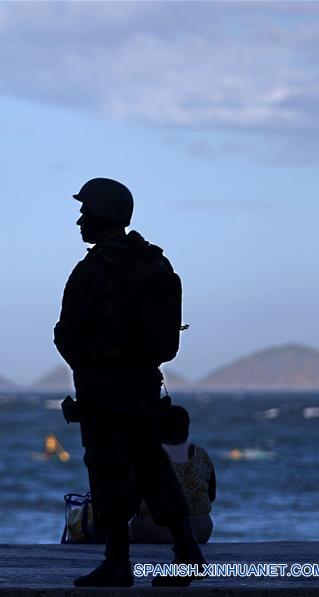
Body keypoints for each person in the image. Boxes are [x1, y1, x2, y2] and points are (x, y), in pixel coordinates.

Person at [54, 177, 206, 587]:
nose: (79, 220)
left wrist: (89, 369)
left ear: (101, 216)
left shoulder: (93, 270)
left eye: (85, 211)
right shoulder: (154, 263)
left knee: (106, 472)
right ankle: (187, 550)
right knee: (153, 467)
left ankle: (117, 561)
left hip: (104, 388)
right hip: (142, 385)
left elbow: (68, 334)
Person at [130, 405, 216, 543]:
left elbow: (133, 498)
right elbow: (211, 496)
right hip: (201, 530)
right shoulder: (201, 455)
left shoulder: (151, 455)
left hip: (157, 528)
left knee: (134, 525)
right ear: (187, 429)